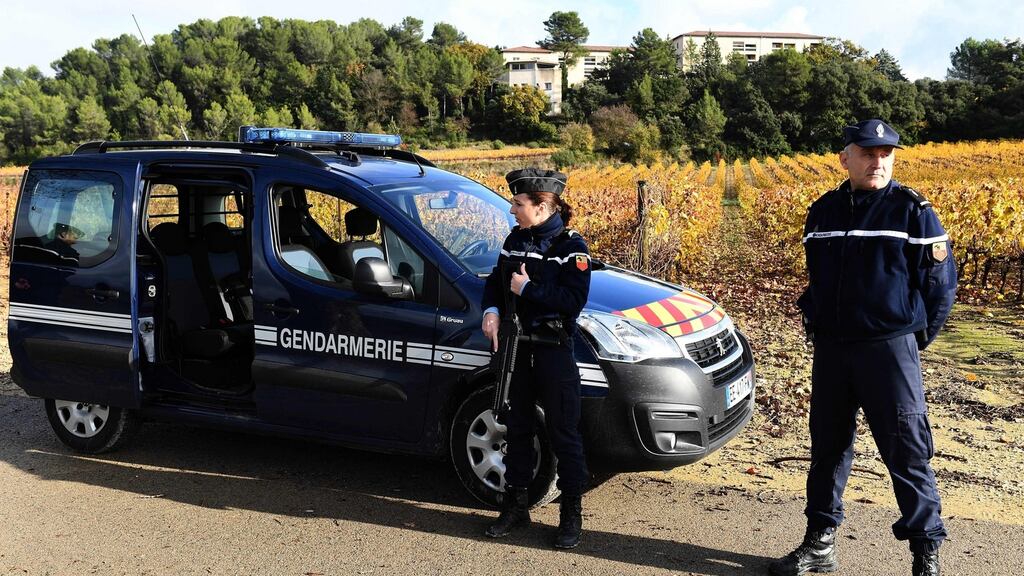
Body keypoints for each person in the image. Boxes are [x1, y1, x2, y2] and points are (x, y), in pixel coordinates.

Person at [770, 119, 957, 576]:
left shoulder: (913, 211)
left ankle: (925, 553)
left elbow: (940, 288)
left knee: (907, 451)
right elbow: (818, 280)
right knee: (828, 447)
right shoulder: (823, 211)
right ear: (845, 157)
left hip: (888, 351)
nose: (878, 161)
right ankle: (820, 544)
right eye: (869, 152)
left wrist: (908, 341)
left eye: (886, 154)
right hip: (834, 350)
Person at [480, 168, 592, 549]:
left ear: (542, 207)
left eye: (518, 203)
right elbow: (495, 281)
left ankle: (570, 513)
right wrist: (491, 310)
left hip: (553, 349)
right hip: (517, 347)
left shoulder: (570, 246)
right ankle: (516, 506)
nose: (512, 209)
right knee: (517, 428)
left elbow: (573, 301)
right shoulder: (515, 239)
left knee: (564, 431)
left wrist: (528, 288)